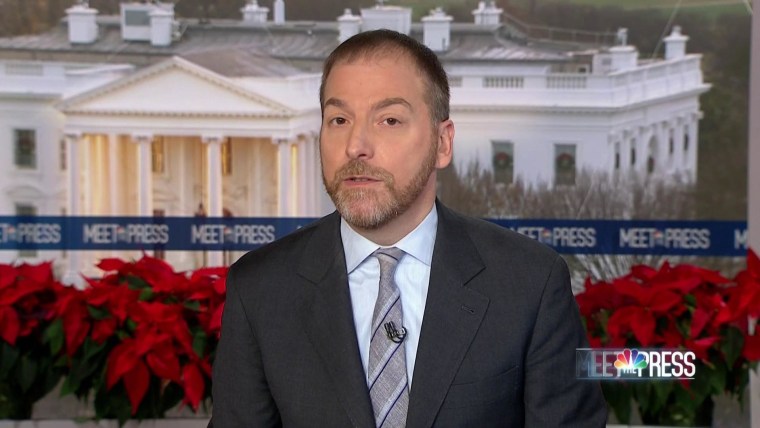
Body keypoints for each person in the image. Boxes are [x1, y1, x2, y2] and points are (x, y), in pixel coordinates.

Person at [210, 29, 607, 427]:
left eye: (389, 120)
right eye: (339, 119)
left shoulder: (530, 283)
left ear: (442, 143)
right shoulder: (260, 289)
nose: (355, 145)